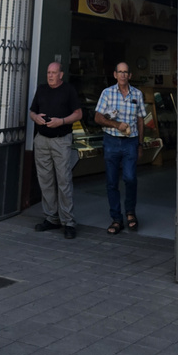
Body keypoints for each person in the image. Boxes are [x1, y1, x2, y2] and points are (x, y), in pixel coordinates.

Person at [29, 61, 82, 239]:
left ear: (61, 75)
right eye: (48, 72)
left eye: (54, 72)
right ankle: (51, 218)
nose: (50, 75)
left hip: (61, 141)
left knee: (63, 180)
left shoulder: (68, 90)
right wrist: (36, 117)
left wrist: (62, 121)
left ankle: (68, 222)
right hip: (42, 140)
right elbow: (32, 112)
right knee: (45, 180)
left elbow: (78, 113)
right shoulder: (42, 89)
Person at [94, 63, 146, 234]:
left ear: (130, 75)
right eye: (120, 72)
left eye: (126, 72)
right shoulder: (107, 93)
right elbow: (98, 118)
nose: (123, 75)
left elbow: (140, 121)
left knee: (130, 178)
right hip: (111, 141)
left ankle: (130, 212)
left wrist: (140, 144)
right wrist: (116, 125)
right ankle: (116, 218)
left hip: (130, 142)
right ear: (115, 74)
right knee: (111, 181)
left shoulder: (137, 94)